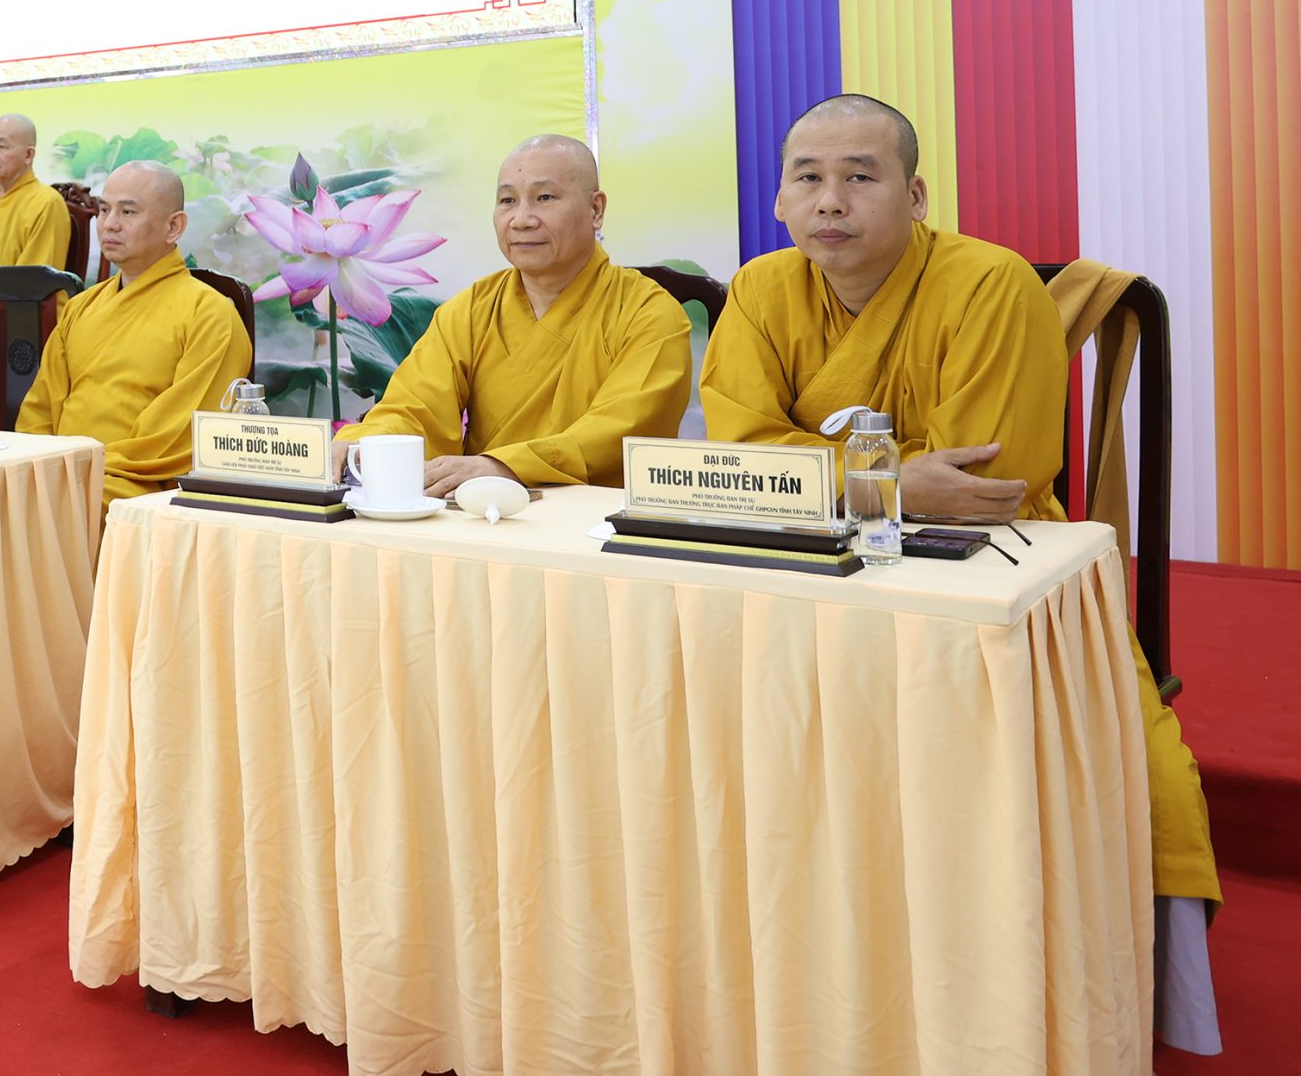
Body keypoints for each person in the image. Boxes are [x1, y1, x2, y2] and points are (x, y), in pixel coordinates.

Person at [699, 95, 1220, 1011]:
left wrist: (825, 473)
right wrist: (888, 481)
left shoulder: (991, 284)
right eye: (807, 179)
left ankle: (1058, 964)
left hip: (992, 562)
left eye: (860, 177)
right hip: (811, 554)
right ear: (779, 201)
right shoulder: (758, 290)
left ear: (916, 195)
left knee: (1103, 740)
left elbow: (986, 480)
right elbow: (742, 453)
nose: (830, 200)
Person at [340, 135, 690, 493]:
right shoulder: (471, 310)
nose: (521, 220)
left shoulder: (649, 314)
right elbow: (413, 408)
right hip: (482, 510)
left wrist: (504, 467)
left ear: (595, 210)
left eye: (545, 197)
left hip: (599, 516)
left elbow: (622, 430)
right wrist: (361, 445)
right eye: (507, 200)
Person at [17, 161, 252, 501]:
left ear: (173, 226)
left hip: (137, 485)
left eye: (128, 212)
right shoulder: (81, 308)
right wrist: (42, 468)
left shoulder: (210, 314)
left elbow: (184, 435)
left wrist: (81, 469)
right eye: (104, 210)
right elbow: (39, 411)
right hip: (62, 474)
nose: (110, 224)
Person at [0, 113, 73, 273]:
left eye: (2, 146)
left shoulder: (46, 203)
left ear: (28, 155)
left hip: (18, 291)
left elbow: (34, 280)